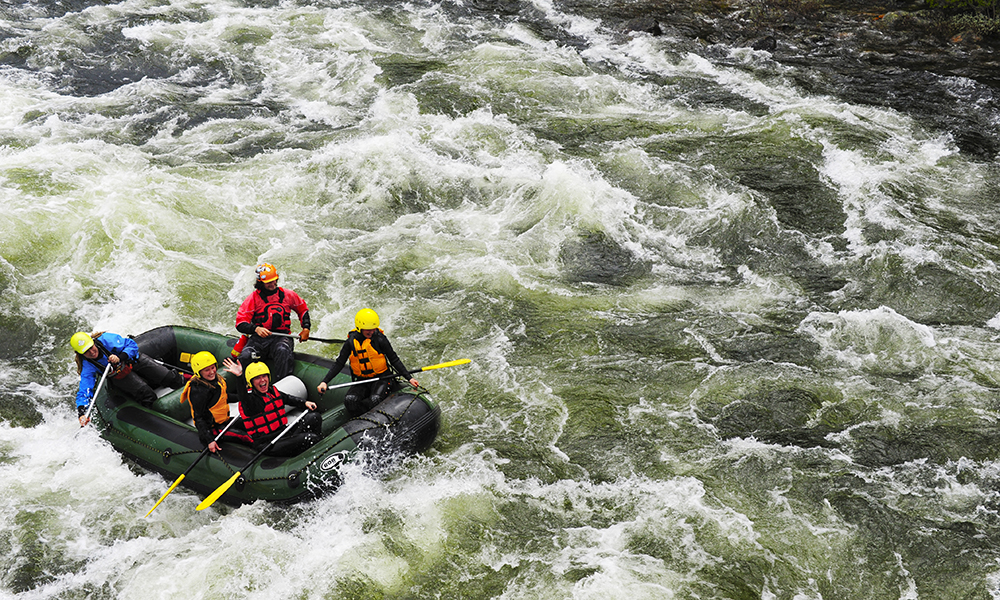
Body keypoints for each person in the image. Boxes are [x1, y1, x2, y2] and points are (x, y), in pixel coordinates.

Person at [316, 308, 419, 418]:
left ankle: (378, 418)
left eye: (373, 329)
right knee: (350, 400)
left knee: (375, 400)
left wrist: (409, 378)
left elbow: (394, 359)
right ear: (360, 328)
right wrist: (325, 382)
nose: (371, 332)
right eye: (367, 330)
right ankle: (362, 420)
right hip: (362, 380)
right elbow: (339, 363)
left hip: (382, 378)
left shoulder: (380, 339)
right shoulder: (351, 342)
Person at [72, 330, 185, 427]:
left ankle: (188, 386)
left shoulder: (106, 339)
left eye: (91, 347)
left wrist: (120, 357)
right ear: (80, 353)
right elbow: (85, 390)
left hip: (133, 360)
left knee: (169, 377)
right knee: (147, 395)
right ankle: (161, 421)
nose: (92, 352)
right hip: (120, 375)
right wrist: (82, 412)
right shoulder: (87, 367)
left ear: (93, 342)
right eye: (86, 351)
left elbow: (132, 345)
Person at [235, 262, 311, 381]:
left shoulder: (288, 295)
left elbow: (303, 310)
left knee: (282, 350)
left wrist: (306, 328)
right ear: (260, 283)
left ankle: (282, 388)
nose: (273, 284)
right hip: (259, 339)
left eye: (274, 280)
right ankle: (247, 388)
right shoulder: (253, 299)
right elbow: (240, 323)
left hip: (281, 337)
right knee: (245, 356)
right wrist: (256, 329)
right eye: (269, 282)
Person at [236, 361, 322, 456]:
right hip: (269, 444)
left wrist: (305, 402)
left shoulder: (271, 391)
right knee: (310, 438)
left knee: (315, 417)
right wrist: (240, 377)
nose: (262, 380)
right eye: (257, 378)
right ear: (251, 382)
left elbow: (288, 398)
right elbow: (244, 398)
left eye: (264, 376)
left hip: (283, 433)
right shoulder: (251, 401)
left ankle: (312, 448)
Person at [179, 351, 253, 452]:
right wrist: (209, 440)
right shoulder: (199, 391)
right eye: (207, 370)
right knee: (246, 437)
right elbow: (199, 418)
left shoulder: (215, 380)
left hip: (224, 420)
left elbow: (223, 397)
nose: (212, 372)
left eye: (213, 368)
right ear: (199, 372)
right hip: (212, 428)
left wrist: (244, 395)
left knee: (253, 423)